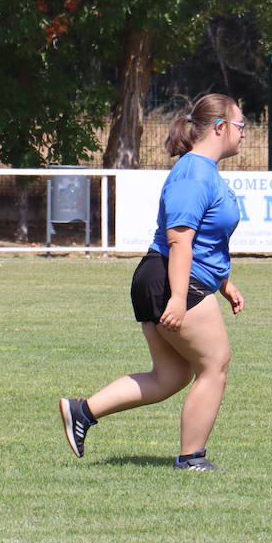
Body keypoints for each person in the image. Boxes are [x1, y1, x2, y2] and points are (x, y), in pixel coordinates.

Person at [59, 93, 246, 471]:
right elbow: (179, 239)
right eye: (241, 126)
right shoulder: (194, 174)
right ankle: (192, 458)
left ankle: (83, 410)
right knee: (215, 364)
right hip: (171, 280)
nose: (244, 134)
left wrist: (224, 281)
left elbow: (207, 237)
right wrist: (177, 299)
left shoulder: (204, 171)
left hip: (170, 278)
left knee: (171, 375)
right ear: (220, 127)